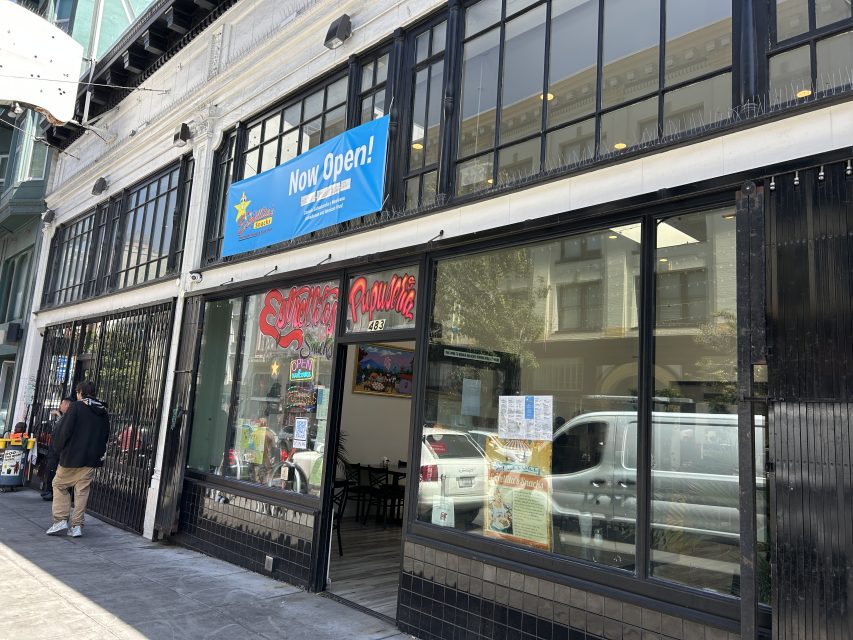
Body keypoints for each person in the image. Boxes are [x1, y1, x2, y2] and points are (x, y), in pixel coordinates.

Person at [46, 381, 110, 538]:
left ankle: (60, 519)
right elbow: (106, 435)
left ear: (80, 392)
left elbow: (65, 431)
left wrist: (59, 448)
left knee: (59, 484)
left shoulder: (76, 407)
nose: (76, 394)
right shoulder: (102, 410)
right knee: (82, 491)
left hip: (71, 456)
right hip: (91, 458)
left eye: (77, 392)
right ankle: (77, 526)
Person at [41, 398, 72, 501]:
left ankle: (51, 491)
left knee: (53, 470)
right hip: (54, 449)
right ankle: (48, 490)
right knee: (50, 469)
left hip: (58, 451)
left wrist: (58, 416)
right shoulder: (65, 417)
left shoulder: (69, 418)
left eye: (62, 404)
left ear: (67, 405)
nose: (60, 406)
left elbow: (64, 432)